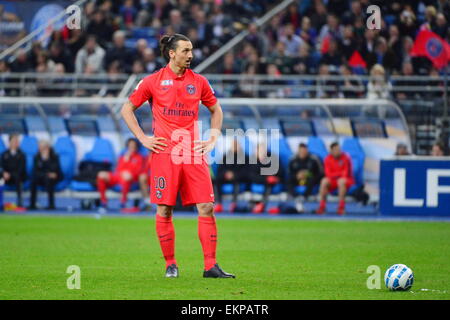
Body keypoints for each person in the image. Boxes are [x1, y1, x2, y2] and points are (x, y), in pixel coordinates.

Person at [120, 34, 234, 278]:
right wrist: (143, 138)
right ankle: (170, 264)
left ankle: (210, 266)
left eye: (191, 50)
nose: (190, 55)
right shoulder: (152, 81)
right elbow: (126, 108)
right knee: (165, 210)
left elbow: (216, 110)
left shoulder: (200, 81)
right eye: (185, 50)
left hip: (193, 153)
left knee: (207, 206)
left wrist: (213, 137)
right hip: (165, 154)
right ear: (172, 53)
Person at [96, 138, 145, 211]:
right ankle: (103, 201)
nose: (131, 147)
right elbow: (118, 169)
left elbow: (138, 171)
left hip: (129, 178)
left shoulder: (139, 158)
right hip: (118, 176)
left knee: (126, 177)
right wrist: (126, 159)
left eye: (133, 145)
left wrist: (129, 174)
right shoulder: (123, 156)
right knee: (101, 175)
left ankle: (123, 202)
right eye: (130, 145)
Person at [316, 142, 355, 215]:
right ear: (331, 151)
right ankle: (322, 207)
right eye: (336, 150)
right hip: (334, 180)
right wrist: (339, 174)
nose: (338, 151)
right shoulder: (327, 159)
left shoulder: (346, 158)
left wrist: (335, 175)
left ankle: (341, 207)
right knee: (324, 181)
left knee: (341, 181)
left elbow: (345, 174)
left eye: (339, 149)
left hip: (347, 180)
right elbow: (328, 174)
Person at [247, 142, 284, 214]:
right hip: (260, 181)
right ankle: (259, 204)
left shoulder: (273, 158)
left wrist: (274, 178)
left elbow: (280, 171)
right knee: (267, 182)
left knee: (270, 182)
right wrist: (266, 179)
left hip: (272, 181)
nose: (261, 153)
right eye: (259, 151)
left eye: (263, 151)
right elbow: (251, 176)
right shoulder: (252, 160)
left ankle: (263, 204)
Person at [214, 138, 249, 213]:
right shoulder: (226, 156)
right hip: (225, 177)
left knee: (237, 181)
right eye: (233, 145)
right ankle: (219, 203)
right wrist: (226, 174)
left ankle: (234, 204)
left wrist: (234, 175)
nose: (235, 147)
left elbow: (245, 171)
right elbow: (220, 169)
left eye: (236, 145)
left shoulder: (245, 157)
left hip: (237, 177)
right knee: (217, 180)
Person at [288, 143, 323, 213]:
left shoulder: (314, 158)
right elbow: (289, 173)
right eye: (301, 151)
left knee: (312, 180)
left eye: (304, 151)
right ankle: (296, 198)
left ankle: (303, 198)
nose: (302, 153)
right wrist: (297, 175)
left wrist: (308, 174)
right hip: (297, 180)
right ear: (298, 151)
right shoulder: (293, 159)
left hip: (310, 180)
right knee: (289, 180)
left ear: (307, 150)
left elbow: (320, 173)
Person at [28, 140, 62, 210]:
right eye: (39, 147)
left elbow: (55, 169)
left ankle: (51, 205)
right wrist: (46, 173)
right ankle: (32, 204)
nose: (40, 149)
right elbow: (35, 171)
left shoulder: (54, 156)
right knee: (33, 181)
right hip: (41, 177)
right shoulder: (36, 157)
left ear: (47, 148)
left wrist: (47, 160)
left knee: (49, 180)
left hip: (53, 178)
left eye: (42, 147)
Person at [0, 134, 26, 208]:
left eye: (16, 141)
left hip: (17, 177)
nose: (15, 143)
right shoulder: (4, 154)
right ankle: (0, 203)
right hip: (5, 177)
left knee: (19, 179)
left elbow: (21, 169)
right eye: (14, 141)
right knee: (0, 180)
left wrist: (10, 174)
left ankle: (19, 202)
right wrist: (3, 173)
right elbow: (1, 166)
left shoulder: (21, 155)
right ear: (9, 142)